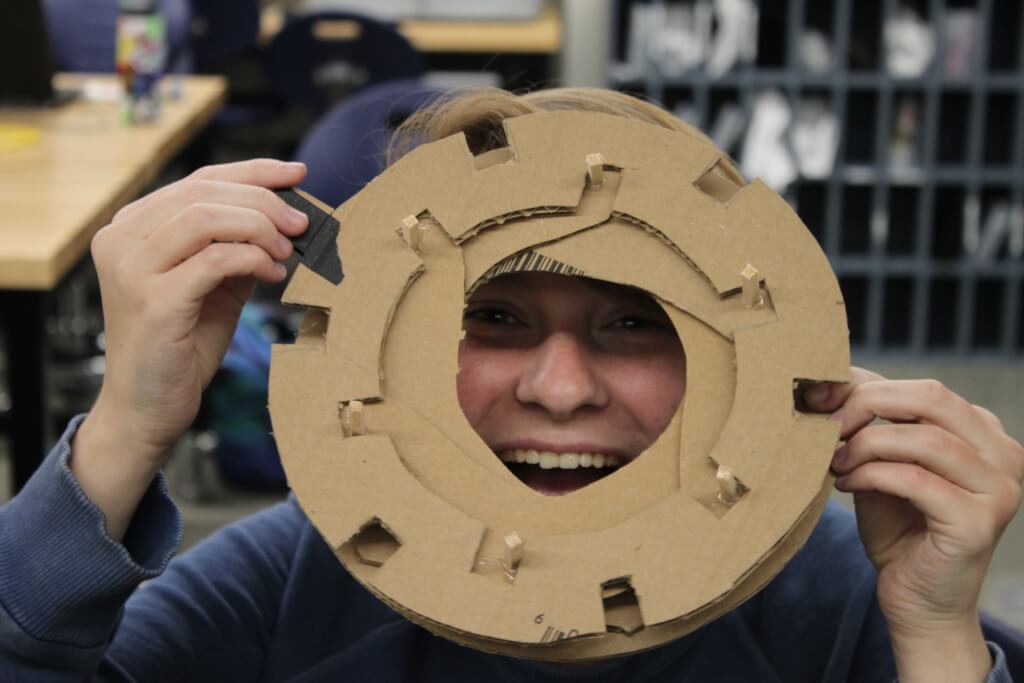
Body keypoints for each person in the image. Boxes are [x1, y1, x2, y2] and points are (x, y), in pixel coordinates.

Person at [1, 88, 1021, 682]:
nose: (562, 388)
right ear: (388, 346)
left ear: (738, 358)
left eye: (634, 323)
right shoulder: (298, 578)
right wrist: (128, 430)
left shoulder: (843, 599)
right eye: (493, 317)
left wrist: (934, 632)